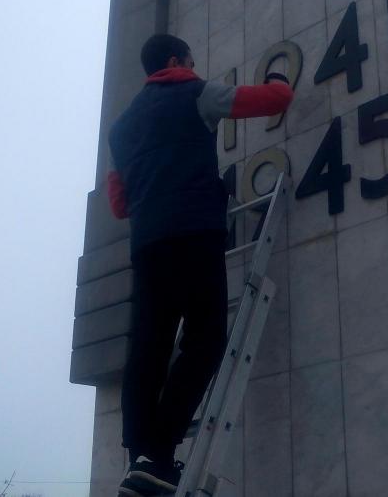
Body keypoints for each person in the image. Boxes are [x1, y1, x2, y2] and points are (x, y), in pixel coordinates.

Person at [106, 34, 293, 496]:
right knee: (206, 341)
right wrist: (278, 76)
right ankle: (160, 452)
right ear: (175, 60)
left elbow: (119, 205)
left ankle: (140, 460)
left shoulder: (121, 130)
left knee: (148, 350)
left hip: (147, 247)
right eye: (191, 61)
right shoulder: (195, 92)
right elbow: (275, 100)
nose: (194, 68)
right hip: (194, 234)